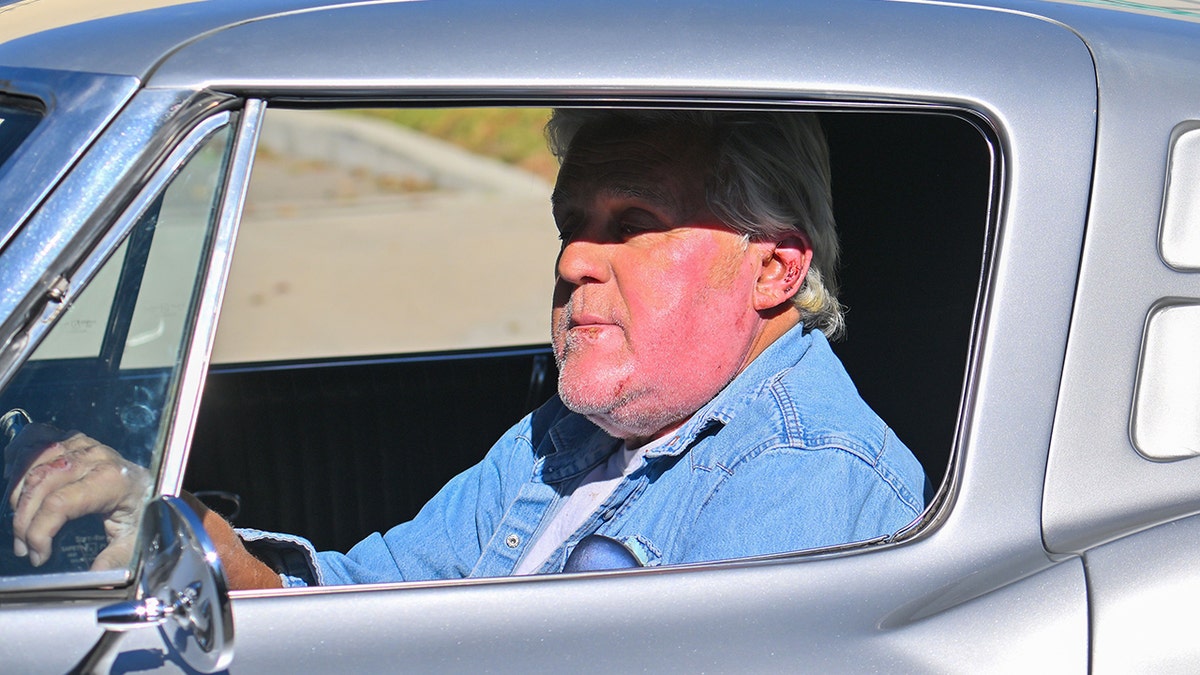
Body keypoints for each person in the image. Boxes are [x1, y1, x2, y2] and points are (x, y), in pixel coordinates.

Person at [7, 109, 927, 588]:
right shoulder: (574, 435)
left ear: (773, 268)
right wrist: (176, 538)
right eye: (572, 225)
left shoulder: (802, 474)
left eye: (631, 224)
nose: (573, 259)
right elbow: (374, 598)